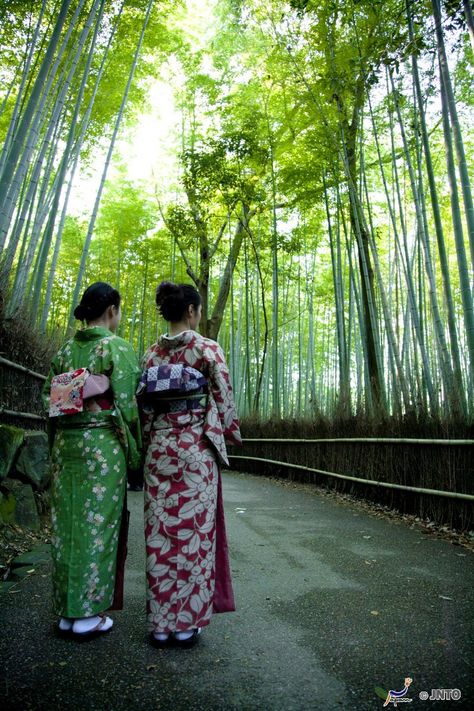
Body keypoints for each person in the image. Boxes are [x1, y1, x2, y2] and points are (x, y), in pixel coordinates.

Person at [140, 281, 241, 648]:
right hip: (195, 451)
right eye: (198, 310)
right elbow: (224, 399)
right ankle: (186, 624)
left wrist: (150, 443)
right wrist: (229, 431)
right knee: (195, 536)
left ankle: (161, 623)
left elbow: (145, 410)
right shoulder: (207, 349)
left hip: (159, 451)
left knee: (161, 535)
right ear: (191, 312)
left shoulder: (150, 355)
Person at [43, 282, 141, 637]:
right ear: (112, 309)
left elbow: (49, 402)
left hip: (66, 447)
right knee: (97, 525)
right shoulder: (117, 348)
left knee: (67, 524)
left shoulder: (64, 353)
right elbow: (129, 406)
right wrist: (136, 453)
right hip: (101, 446)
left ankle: (67, 611)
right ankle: (87, 614)